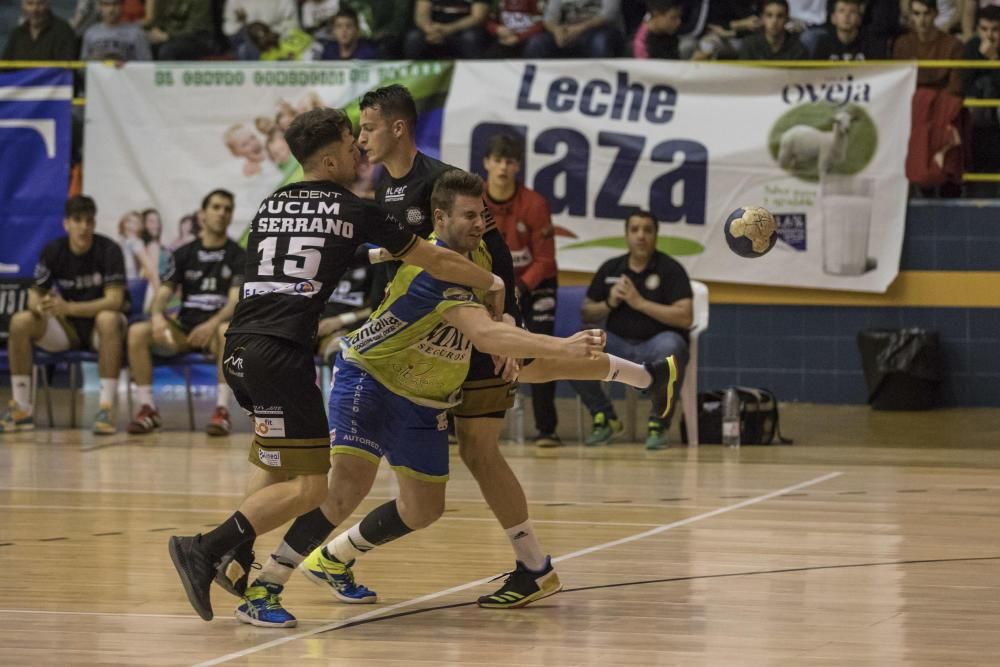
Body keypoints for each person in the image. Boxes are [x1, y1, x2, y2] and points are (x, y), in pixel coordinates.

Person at [214, 170, 675, 628]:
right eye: (470, 215)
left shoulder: (474, 253)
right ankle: (265, 587)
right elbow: (482, 333)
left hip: (427, 395)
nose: (480, 223)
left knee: (424, 508)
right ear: (440, 216)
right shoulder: (432, 270)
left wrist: (515, 330)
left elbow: (496, 324)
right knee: (345, 487)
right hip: (370, 378)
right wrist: (556, 344)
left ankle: (333, 559)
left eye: (484, 214)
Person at [167, 107, 507, 623]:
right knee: (311, 487)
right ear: (329, 158)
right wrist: (493, 283)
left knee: (274, 465)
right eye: (352, 144)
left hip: (238, 348)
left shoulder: (269, 205)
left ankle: (234, 555)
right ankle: (206, 546)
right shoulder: (352, 209)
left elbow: (301, 260)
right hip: (281, 354)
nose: (359, 153)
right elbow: (436, 260)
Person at [0, 195, 129, 435]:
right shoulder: (53, 250)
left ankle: (106, 408)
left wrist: (69, 308)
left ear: (94, 224)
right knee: (20, 321)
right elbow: (33, 297)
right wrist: (42, 307)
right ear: (66, 224)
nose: (83, 227)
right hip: (67, 329)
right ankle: (21, 408)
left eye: (89, 221)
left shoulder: (109, 249)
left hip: (100, 330)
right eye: (77, 220)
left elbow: (115, 301)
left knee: (108, 317)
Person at [572, 210, 693, 451]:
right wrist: (609, 303)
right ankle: (605, 416)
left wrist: (641, 304)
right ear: (626, 235)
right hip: (618, 345)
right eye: (635, 230)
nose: (641, 236)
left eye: (647, 230)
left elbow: (685, 316)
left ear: (655, 235)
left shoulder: (671, 269)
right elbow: (586, 312)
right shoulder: (611, 268)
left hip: (657, 344)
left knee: (672, 347)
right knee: (576, 347)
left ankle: (658, 422)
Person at [126, 190, 245, 436]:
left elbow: (235, 302)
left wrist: (211, 324)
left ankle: (221, 411)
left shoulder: (238, 255)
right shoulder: (183, 253)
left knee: (226, 332)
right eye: (216, 207)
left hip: (215, 333)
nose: (222, 213)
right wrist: (158, 316)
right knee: (138, 331)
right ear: (202, 215)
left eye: (227, 209)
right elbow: (162, 295)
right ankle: (148, 409)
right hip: (184, 331)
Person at [482, 134, 561, 447]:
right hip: (492, 284)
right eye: (498, 160)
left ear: (518, 167)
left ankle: (547, 428)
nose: (503, 167)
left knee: (538, 345)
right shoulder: (476, 202)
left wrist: (520, 288)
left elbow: (545, 259)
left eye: (510, 161)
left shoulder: (535, 204)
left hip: (536, 284)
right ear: (487, 163)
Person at [961, 5, 1000, 195]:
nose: (990, 36)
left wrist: (993, 60)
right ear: (977, 30)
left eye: (995, 30)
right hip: (978, 123)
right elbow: (965, 86)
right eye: (984, 29)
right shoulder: (971, 48)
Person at [894, 0, 963, 95]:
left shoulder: (953, 45)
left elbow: (955, 87)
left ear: (936, 13)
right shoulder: (902, 44)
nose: (922, 20)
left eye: (927, 13)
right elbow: (900, 83)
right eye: (916, 14)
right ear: (910, 16)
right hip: (911, 102)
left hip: (943, 103)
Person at [403, 0, 491, 59]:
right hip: (434, 28)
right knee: (413, 37)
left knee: (471, 38)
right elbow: (421, 15)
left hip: (462, 28)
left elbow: (478, 17)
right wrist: (429, 29)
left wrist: (448, 29)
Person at [536, 0, 625, 58]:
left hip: (601, 29)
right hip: (568, 30)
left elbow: (609, 14)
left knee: (600, 42)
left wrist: (579, 29)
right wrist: (556, 31)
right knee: (537, 44)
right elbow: (549, 18)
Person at [2, 0, 78, 61]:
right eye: (30, 3)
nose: (35, 9)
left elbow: (64, 71)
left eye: (40, 3)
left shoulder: (63, 30)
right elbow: (4, 67)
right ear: (23, 6)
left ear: (48, 5)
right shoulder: (16, 34)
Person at [813, 0, 887, 60]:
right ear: (833, 18)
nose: (847, 15)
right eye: (841, 11)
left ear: (859, 19)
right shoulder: (823, 44)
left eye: (852, 11)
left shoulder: (871, 44)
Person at [80, 0, 152, 61]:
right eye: (106, 4)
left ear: (122, 6)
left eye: (115, 4)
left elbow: (147, 65)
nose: (111, 9)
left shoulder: (137, 33)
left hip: (127, 76)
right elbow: (82, 69)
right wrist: (95, 59)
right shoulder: (90, 33)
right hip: (98, 76)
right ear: (100, 7)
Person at [146, 0, 217, 60]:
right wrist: (157, 29)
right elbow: (167, 19)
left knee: (168, 50)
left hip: (199, 39)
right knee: (146, 46)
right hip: (176, 35)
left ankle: (171, 76)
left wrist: (168, 36)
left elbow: (193, 29)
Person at [738, 0, 809, 60]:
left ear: (787, 19)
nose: (774, 21)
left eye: (780, 16)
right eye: (769, 15)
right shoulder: (749, 45)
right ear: (762, 18)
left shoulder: (798, 49)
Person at [484, 0, 552, 58]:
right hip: (505, 36)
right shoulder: (498, 2)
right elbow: (489, 20)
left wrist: (519, 37)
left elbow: (540, 24)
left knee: (535, 44)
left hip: (527, 37)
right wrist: (497, 29)